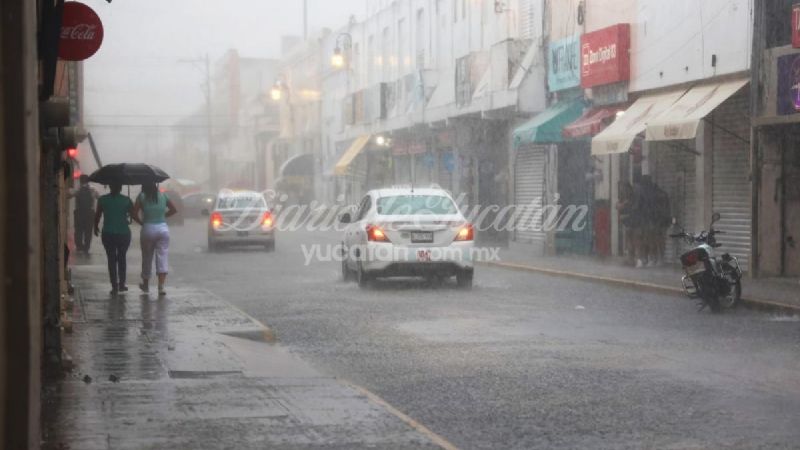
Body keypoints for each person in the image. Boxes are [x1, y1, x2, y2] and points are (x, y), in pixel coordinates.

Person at [133, 182, 177, 296]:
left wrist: (141, 222)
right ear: (156, 186)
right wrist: (163, 216)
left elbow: (134, 213)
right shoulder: (163, 196)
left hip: (147, 228)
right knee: (162, 257)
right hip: (163, 229)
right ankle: (161, 287)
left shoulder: (142, 196)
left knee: (147, 257)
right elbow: (174, 210)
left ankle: (146, 285)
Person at [94, 183, 134, 295]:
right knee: (122, 258)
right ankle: (122, 284)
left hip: (108, 233)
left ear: (111, 187)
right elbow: (133, 215)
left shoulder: (102, 200)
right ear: (120, 188)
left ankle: (114, 286)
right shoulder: (127, 200)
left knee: (111, 259)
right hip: (124, 233)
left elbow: (97, 215)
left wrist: (95, 227)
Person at [73, 175, 97, 254]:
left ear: (80, 181)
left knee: (78, 230)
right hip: (90, 213)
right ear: (88, 181)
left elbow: (69, 195)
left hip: (79, 213)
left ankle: (79, 246)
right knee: (88, 231)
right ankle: (86, 247)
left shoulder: (77, 189)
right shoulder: (92, 189)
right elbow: (99, 197)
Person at [616, 181, 637, 266]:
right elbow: (617, 206)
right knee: (628, 240)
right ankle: (629, 258)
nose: (621, 189)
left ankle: (631, 259)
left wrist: (624, 214)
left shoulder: (631, 198)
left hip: (630, 222)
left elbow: (632, 210)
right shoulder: (623, 197)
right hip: (625, 222)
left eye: (622, 187)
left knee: (630, 240)